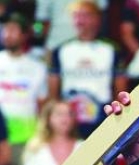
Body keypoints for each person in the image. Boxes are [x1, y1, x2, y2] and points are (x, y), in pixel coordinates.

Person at [48, 0, 127, 139]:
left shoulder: (112, 50)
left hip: (102, 118)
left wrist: (117, 120)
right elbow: (53, 94)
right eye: (76, 15)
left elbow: (120, 90)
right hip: (70, 121)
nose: (79, 20)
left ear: (97, 18)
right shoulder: (61, 50)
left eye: (85, 15)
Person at [0, 14, 47, 165]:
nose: (8, 35)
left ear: (25, 35)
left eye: (14, 30)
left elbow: (42, 105)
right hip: (0, 133)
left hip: (26, 137)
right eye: (6, 29)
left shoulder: (37, 67)